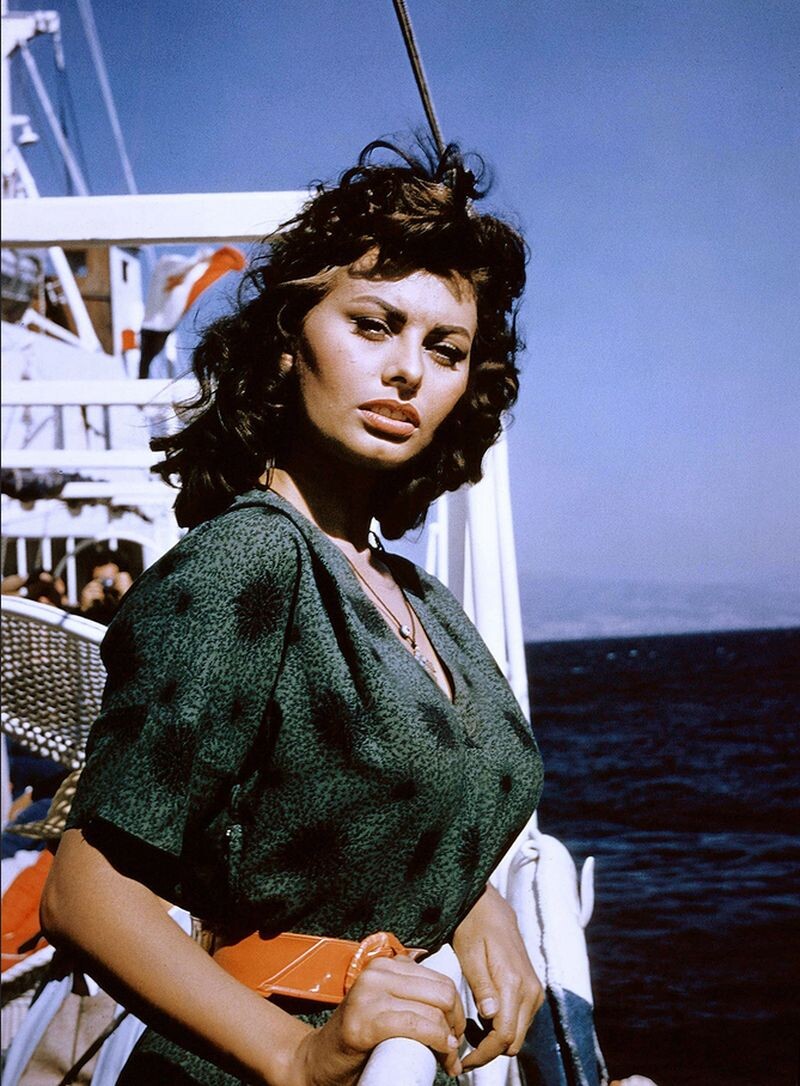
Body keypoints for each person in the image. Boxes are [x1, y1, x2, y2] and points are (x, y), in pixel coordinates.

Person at [41, 141, 545, 1085]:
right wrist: (297, 1056)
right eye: (374, 325)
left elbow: (373, 804)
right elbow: (84, 891)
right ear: (287, 343)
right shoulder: (249, 559)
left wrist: (479, 903)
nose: (408, 371)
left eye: (445, 349)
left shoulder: (417, 597)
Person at [78, 546, 134, 625]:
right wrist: (84, 609)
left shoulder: (140, 603)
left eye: (110, 581)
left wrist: (130, 597)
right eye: (100, 582)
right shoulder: (92, 611)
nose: (106, 589)